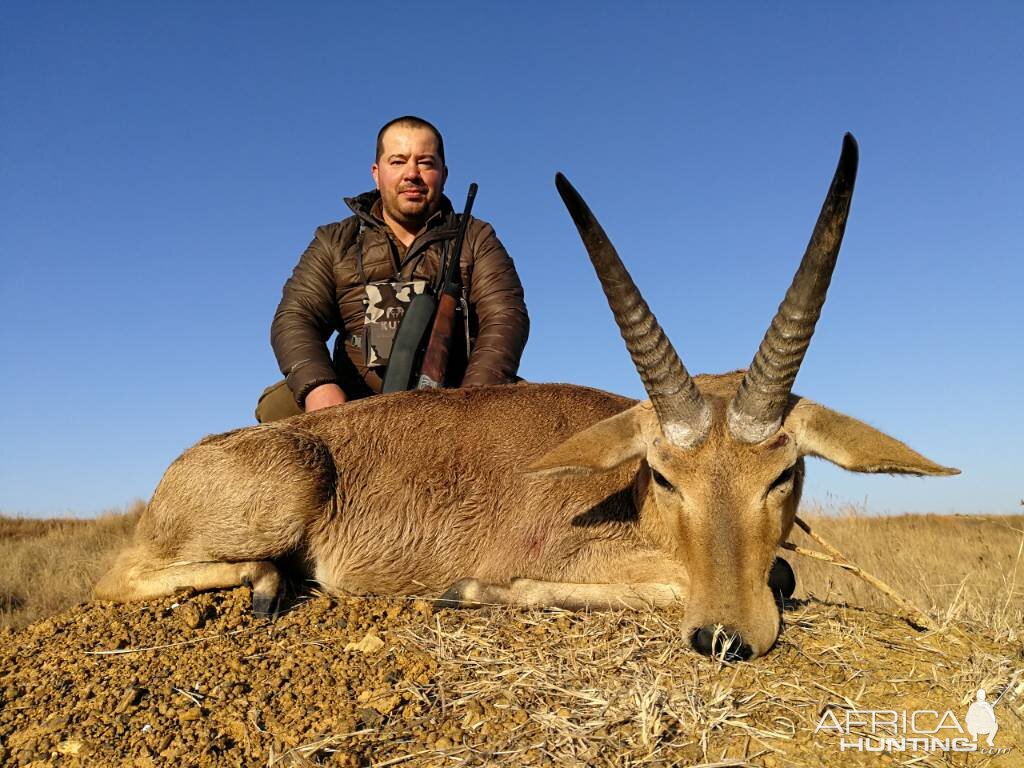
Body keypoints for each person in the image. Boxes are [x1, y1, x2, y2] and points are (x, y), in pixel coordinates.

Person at [256, 116, 529, 423]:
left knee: (536, 413)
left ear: (444, 173)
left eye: (425, 162)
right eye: (398, 161)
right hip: (354, 400)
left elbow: (505, 316)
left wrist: (472, 399)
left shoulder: (477, 237)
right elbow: (296, 316)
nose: (411, 174)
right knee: (277, 406)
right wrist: (319, 386)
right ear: (377, 172)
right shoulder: (334, 241)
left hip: (456, 397)